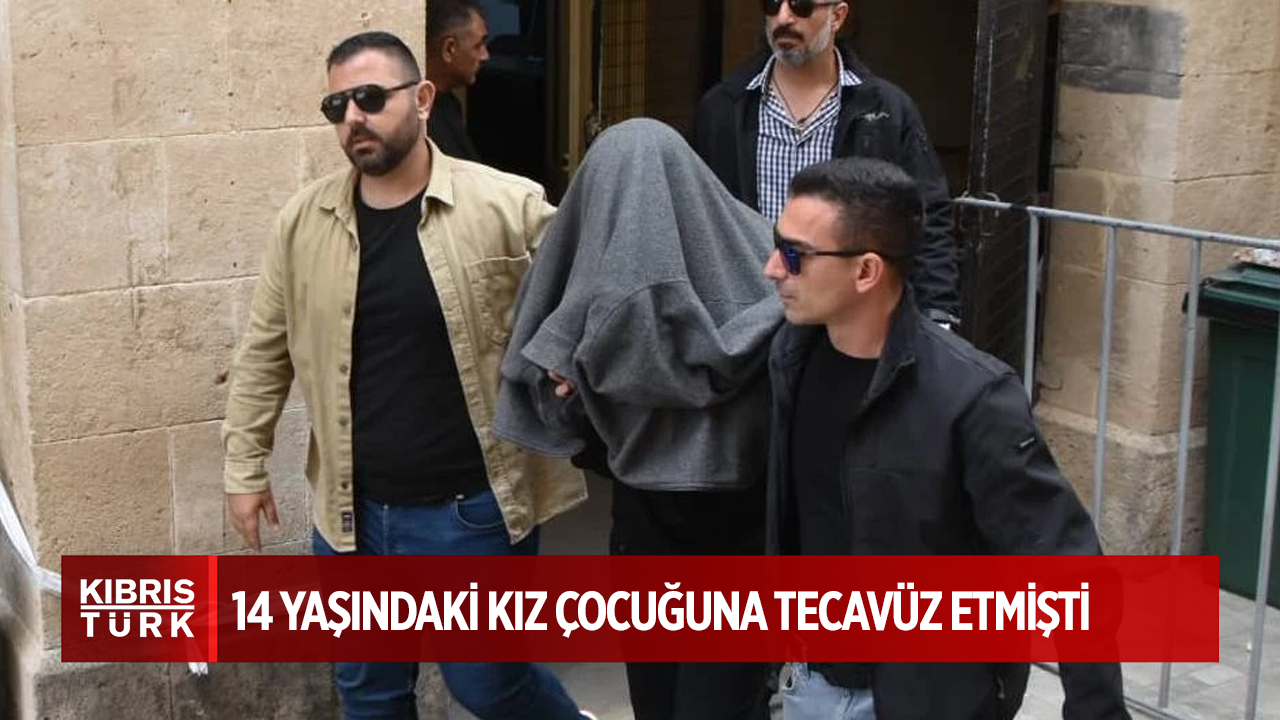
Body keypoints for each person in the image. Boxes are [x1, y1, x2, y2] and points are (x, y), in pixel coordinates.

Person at [220, 29, 592, 720]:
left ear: (422, 98)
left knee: (490, 686)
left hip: (472, 514)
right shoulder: (303, 223)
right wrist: (244, 467)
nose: (353, 118)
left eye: (369, 97)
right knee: (371, 695)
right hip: (351, 516)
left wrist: (574, 363)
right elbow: (263, 353)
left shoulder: (506, 205)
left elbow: (590, 294)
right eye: (337, 106)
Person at [762, 156, 1130, 720]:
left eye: (794, 255)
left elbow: (1070, 572)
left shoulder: (973, 397)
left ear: (866, 271)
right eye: (776, 244)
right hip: (811, 684)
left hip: (929, 699)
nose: (772, 268)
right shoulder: (790, 357)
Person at [692, 0, 961, 330]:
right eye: (772, 4)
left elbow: (926, 214)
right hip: (749, 313)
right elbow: (701, 217)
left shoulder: (886, 110)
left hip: (845, 312)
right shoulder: (723, 108)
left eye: (802, 5)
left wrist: (938, 314)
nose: (784, 17)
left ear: (838, 16)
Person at [425, 0, 489, 161]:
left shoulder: (449, 103)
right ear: (449, 49)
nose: (485, 56)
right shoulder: (420, 121)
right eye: (478, 45)